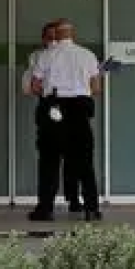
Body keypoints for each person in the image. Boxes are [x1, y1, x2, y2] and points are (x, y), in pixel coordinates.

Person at [27, 19, 102, 222]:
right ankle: (92, 208)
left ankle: (45, 209)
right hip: (80, 110)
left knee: (49, 161)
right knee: (84, 161)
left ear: (56, 35)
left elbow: (35, 86)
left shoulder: (45, 55)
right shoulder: (88, 55)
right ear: (72, 34)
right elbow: (96, 88)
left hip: (54, 109)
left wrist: (49, 93)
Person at [22, 21, 81, 214]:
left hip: (72, 107)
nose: (54, 41)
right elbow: (30, 86)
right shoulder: (39, 56)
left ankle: (74, 199)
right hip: (50, 106)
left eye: (57, 36)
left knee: (73, 157)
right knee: (49, 159)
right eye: (50, 37)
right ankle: (46, 204)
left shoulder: (77, 55)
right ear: (43, 39)